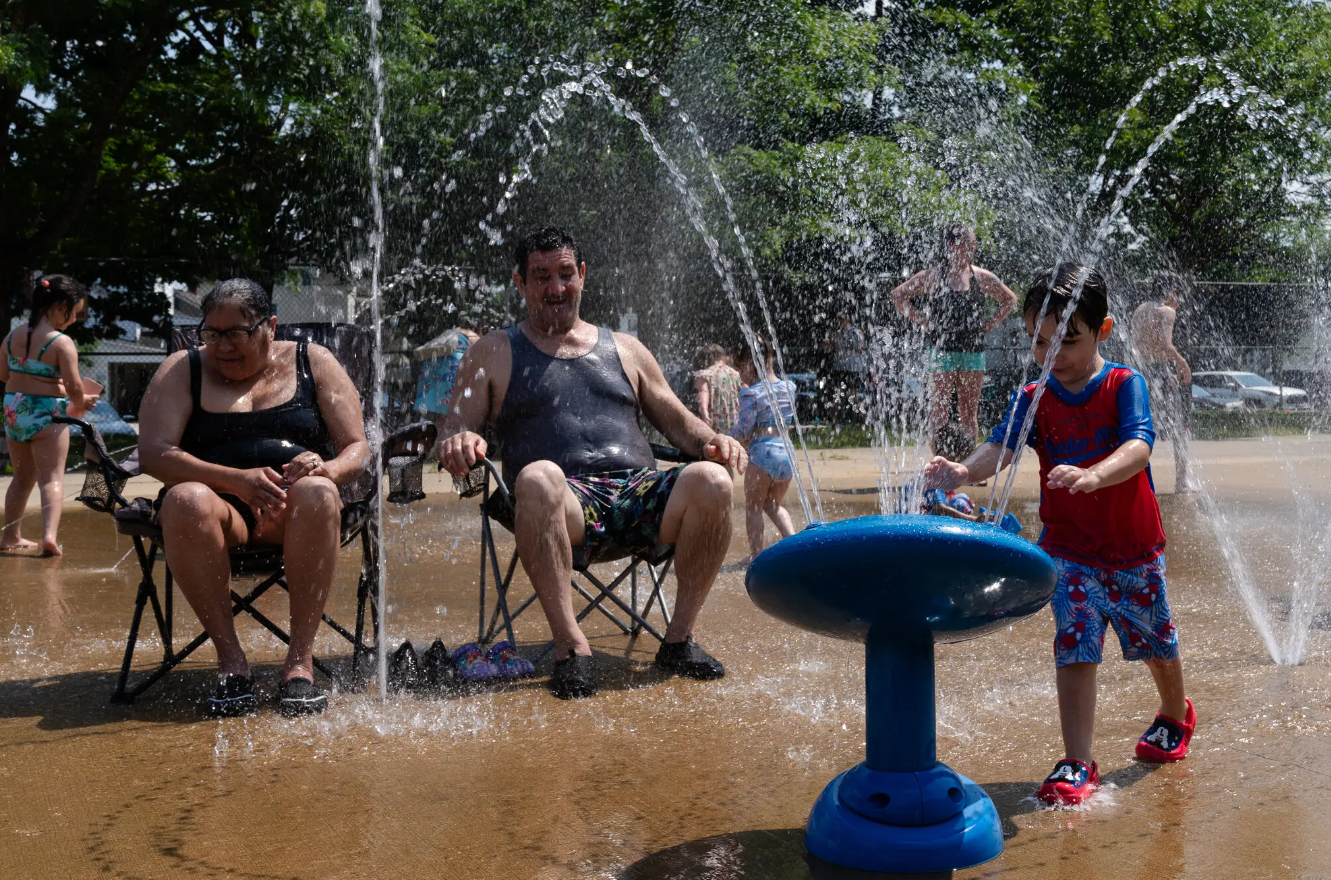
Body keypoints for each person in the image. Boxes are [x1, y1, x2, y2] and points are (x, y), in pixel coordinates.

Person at [435, 225, 747, 700]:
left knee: (712, 480)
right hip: (559, 504)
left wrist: (715, 441)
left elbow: (680, 421)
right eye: (541, 276)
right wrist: (459, 442)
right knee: (538, 476)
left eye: (564, 274)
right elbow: (454, 426)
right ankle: (571, 647)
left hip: (638, 493)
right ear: (519, 283)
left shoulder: (626, 348)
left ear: (582, 275)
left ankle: (679, 639)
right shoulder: (494, 351)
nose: (555, 289)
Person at [923, 264, 1195, 806]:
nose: (1052, 356)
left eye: (1067, 341)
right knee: (1075, 644)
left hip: (1131, 548)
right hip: (1068, 550)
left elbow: (1140, 445)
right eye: (1039, 342)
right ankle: (1078, 759)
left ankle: (1174, 711)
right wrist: (961, 471)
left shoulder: (1124, 384)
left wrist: (1095, 474)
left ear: (1104, 330)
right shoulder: (1034, 395)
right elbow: (1001, 447)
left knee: (1154, 643)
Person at [137, 279, 370, 717]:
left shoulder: (312, 360)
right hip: (219, 515)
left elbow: (357, 449)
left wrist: (326, 468)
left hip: (296, 512)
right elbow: (152, 453)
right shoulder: (181, 369)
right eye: (212, 333)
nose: (222, 345)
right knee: (185, 498)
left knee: (320, 492)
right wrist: (234, 480)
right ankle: (231, 663)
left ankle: (299, 665)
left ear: (270, 326)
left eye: (236, 333)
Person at [890, 223, 1018, 445]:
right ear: (951, 245)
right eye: (967, 243)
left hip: (972, 352)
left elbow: (1011, 300)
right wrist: (923, 321)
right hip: (941, 352)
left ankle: (967, 465)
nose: (972, 247)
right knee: (939, 412)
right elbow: (898, 296)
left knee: (968, 412)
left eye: (973, 243)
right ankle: (938, 466)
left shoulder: (981, 277)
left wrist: (988, 325)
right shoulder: (932, 276)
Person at [1, 275, 97, 556]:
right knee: (51, 479)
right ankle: (49, 538)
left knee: (21, 478)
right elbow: (74, 387)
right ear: (59, 306)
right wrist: (83, 400)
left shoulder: (12, 336)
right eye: (73, 314)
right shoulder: (60, 342)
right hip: (47, 413)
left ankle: (10, 536)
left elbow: (3, 374)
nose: (72, 321)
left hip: (14, 410)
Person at [730, 339, 797, 565]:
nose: (742, 373)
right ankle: (795, 545)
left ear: (750, 362)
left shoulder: (752, 393)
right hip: (787, 453)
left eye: (741, 367)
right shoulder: (789, 388)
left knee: (754, 507)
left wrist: (724, 439)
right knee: (773, 504)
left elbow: (744, 428)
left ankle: (756, 554)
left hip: (763, 453)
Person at [1130, 272, 1196, 493]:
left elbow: (1137, 345)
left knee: (1138, 427)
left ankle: (1132, 482)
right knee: (1179, 427)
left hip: (1139, 372)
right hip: (1159, 372)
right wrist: (1182, 362)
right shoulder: (1166, 312)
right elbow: (1166, 346)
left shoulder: (1140, 310)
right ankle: (1181, 482)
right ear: (1172, 291)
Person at [414, 326, 481, 420]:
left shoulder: (449, 333)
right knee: (448, 416)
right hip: (451, 370)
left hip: (432, 369)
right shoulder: (471, 334)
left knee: (428, 412)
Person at [823, 311, 867, 423]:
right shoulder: (837, 333)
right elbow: (832, 348)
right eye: (839, 319)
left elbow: (860, 347)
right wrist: (830, 344)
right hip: (839, 367)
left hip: (852, 368)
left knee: (852, 396)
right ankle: (832, 420)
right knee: (836, 395)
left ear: (848, 320)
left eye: (842, 319)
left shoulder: (855, 332)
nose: (839, 321)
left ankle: (864, 419)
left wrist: (842, 349)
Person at [692, 343, 742, 435]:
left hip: (716, 421)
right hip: (735, 420)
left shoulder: (704, 374)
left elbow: (703, 392)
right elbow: (744, 391)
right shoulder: (734, 374)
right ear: (722, 357)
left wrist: (704, 410)